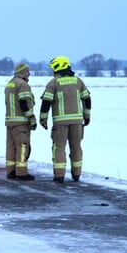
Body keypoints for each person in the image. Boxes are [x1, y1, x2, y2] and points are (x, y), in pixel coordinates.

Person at [39, 55, 91, 183]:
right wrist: (87, 116)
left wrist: (43, 119)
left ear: (58, 68)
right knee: (76, 147)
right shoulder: (78, 81)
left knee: (59, 147)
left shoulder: (53, 83)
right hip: (77, 122)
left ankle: (59, 176)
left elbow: (46, 102)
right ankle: (76, 174)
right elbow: (87, 99)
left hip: (60, 123)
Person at [4, 62, 36, 180]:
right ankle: (21, 172)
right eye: (27, 71)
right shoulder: (23, 85)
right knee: (22, 147)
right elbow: (24, 103)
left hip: (10, 122)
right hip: (21, 122)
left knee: (11, 147)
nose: (29, 74)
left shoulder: (10, 84)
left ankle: (11, 171)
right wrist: (31, 118)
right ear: (22, 72)